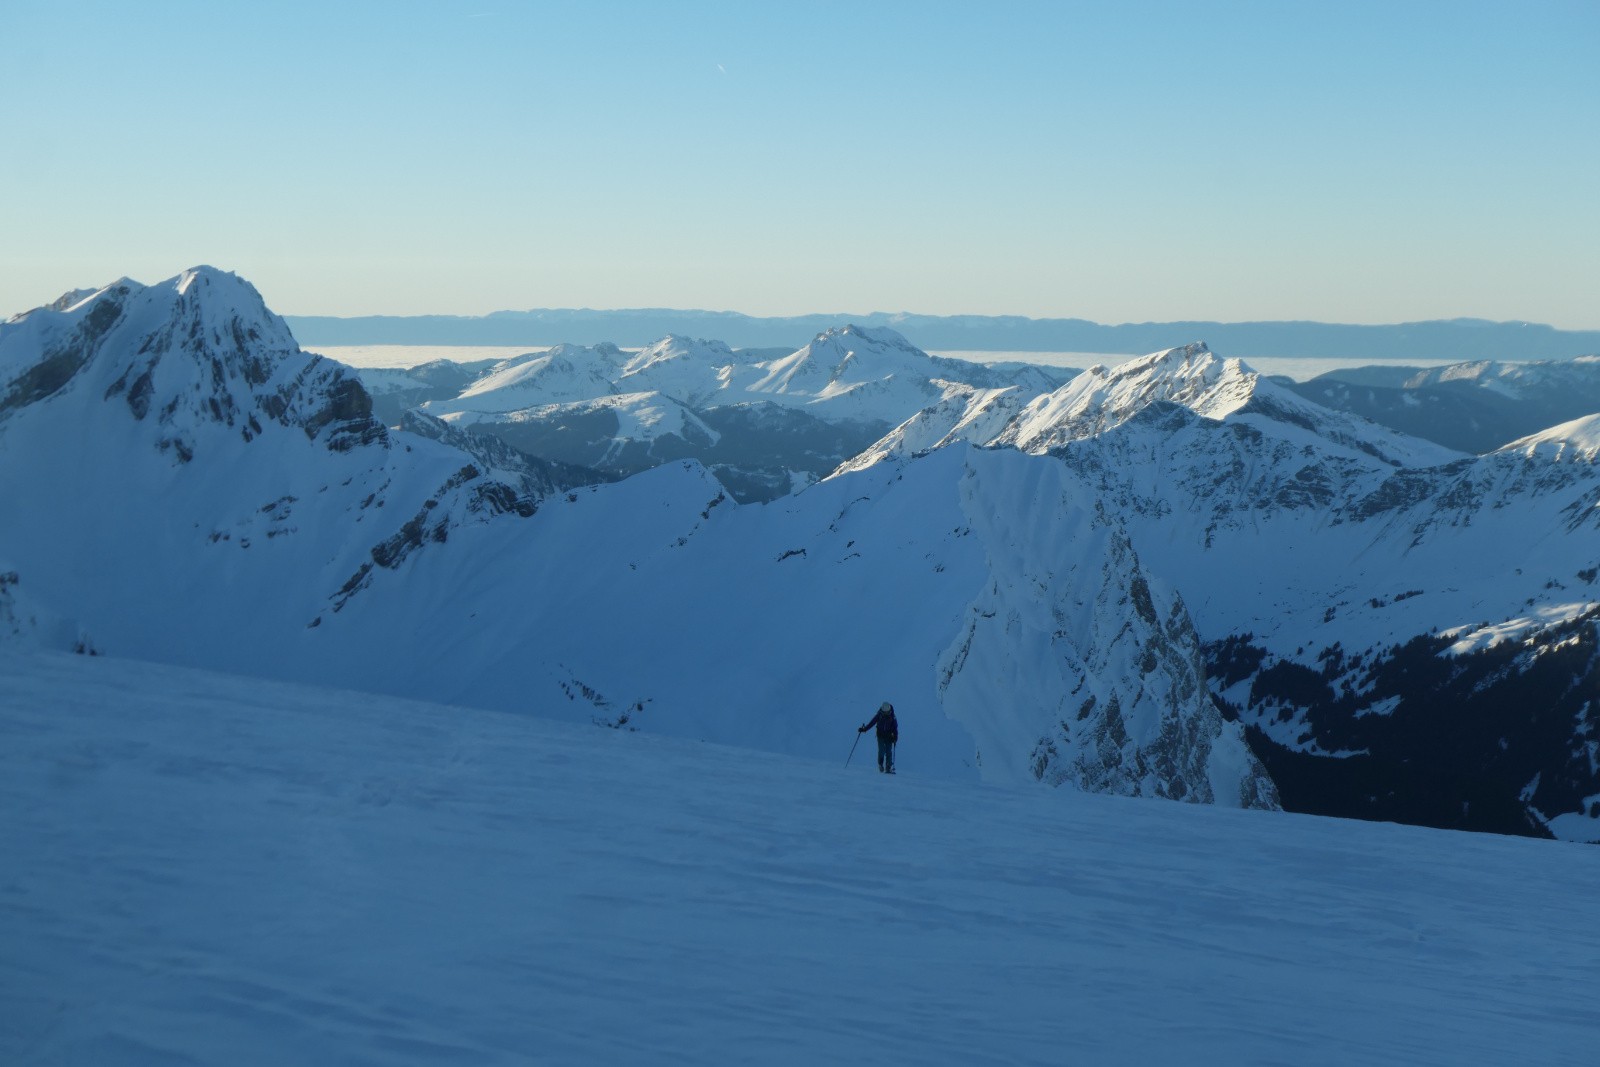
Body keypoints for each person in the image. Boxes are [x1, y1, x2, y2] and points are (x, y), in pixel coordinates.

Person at [858, 702, 898, 774]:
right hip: (880, 735)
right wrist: (864, 729)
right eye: (884, 712)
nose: (886, 713)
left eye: (887, 712)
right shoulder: (879, 715)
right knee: (881, 750)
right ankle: (880, 764)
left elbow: (895, 728)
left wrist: (895, 737)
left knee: (889, 751)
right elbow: (872, 723)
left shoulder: (892, 717)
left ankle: (888, 767)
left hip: (889, 736)